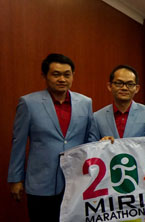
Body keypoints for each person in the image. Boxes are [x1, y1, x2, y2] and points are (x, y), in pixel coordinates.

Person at [7, 53, 94, 221]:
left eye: (67, 74)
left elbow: (89, 139)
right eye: (56, 74)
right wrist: (16, 179)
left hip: (76, 181)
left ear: (72, 76)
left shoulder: (85, 103)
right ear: (45, 76)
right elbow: (18, 142)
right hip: (40, 182)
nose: (62, 79)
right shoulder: (28, 103)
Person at [89, 65, 145, 142]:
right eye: (119, 83)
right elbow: (92, 147)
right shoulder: (97, 117)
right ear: (109, 86)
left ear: (137, 88)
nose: (124, 88)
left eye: (130, 84)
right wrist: (100, 144)